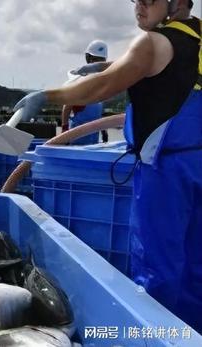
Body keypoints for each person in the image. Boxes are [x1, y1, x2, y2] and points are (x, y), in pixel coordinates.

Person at [13, 0, 201, 331]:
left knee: (159, 268)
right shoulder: (196, 36)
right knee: (195, 266)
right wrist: (110, 66)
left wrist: (47, 96)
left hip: (165, 171)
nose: (139, 6)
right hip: (196, 163)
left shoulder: (150, 42)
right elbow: (175, 69)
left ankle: (157, 337)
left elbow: (104, 87)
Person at [61, 40, 109, 144]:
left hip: (93, 142)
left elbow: (97, 113)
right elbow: (67, 106)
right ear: (89, 59)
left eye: (101, 60)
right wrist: (64, 130)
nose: (99, 63)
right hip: (76, 141)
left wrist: (104, 129)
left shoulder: (100, 84)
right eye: (97, 59)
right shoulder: (80, 82)